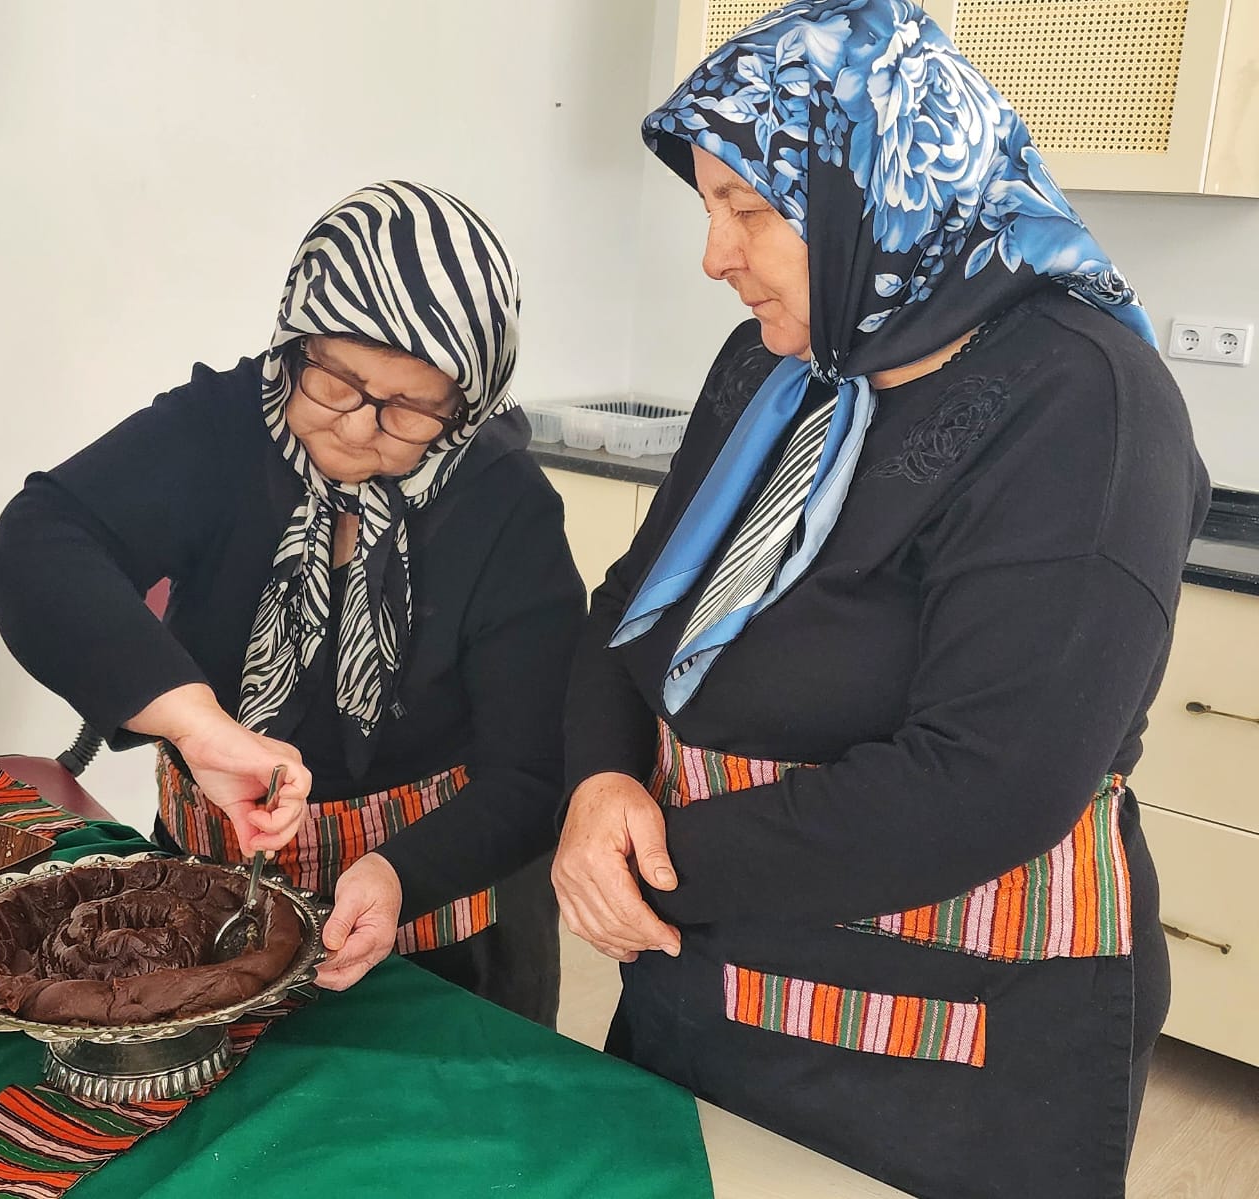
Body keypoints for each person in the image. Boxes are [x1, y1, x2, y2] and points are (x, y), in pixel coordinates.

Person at [553, 3, 1209, 1195]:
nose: (715, 254)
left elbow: (988, 780)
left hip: (951, 1037)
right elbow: (633, 606)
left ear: (879, 187)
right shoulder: (776, 360)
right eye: (708, 207)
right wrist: (600, 780)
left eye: (748, 210)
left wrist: (648, 862)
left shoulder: (1080, 403)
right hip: (711, 961)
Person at [0, 180, 582, 1026]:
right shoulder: (220, 431)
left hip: (444, 913)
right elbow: (37, 542)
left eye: (411, 406)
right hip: (208, 898)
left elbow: (532, 769)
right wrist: (197, 724)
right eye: (337, 380)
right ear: (294, 339)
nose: (362, 428)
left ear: (466, 404)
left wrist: (395, 872)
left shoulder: (503, 504)